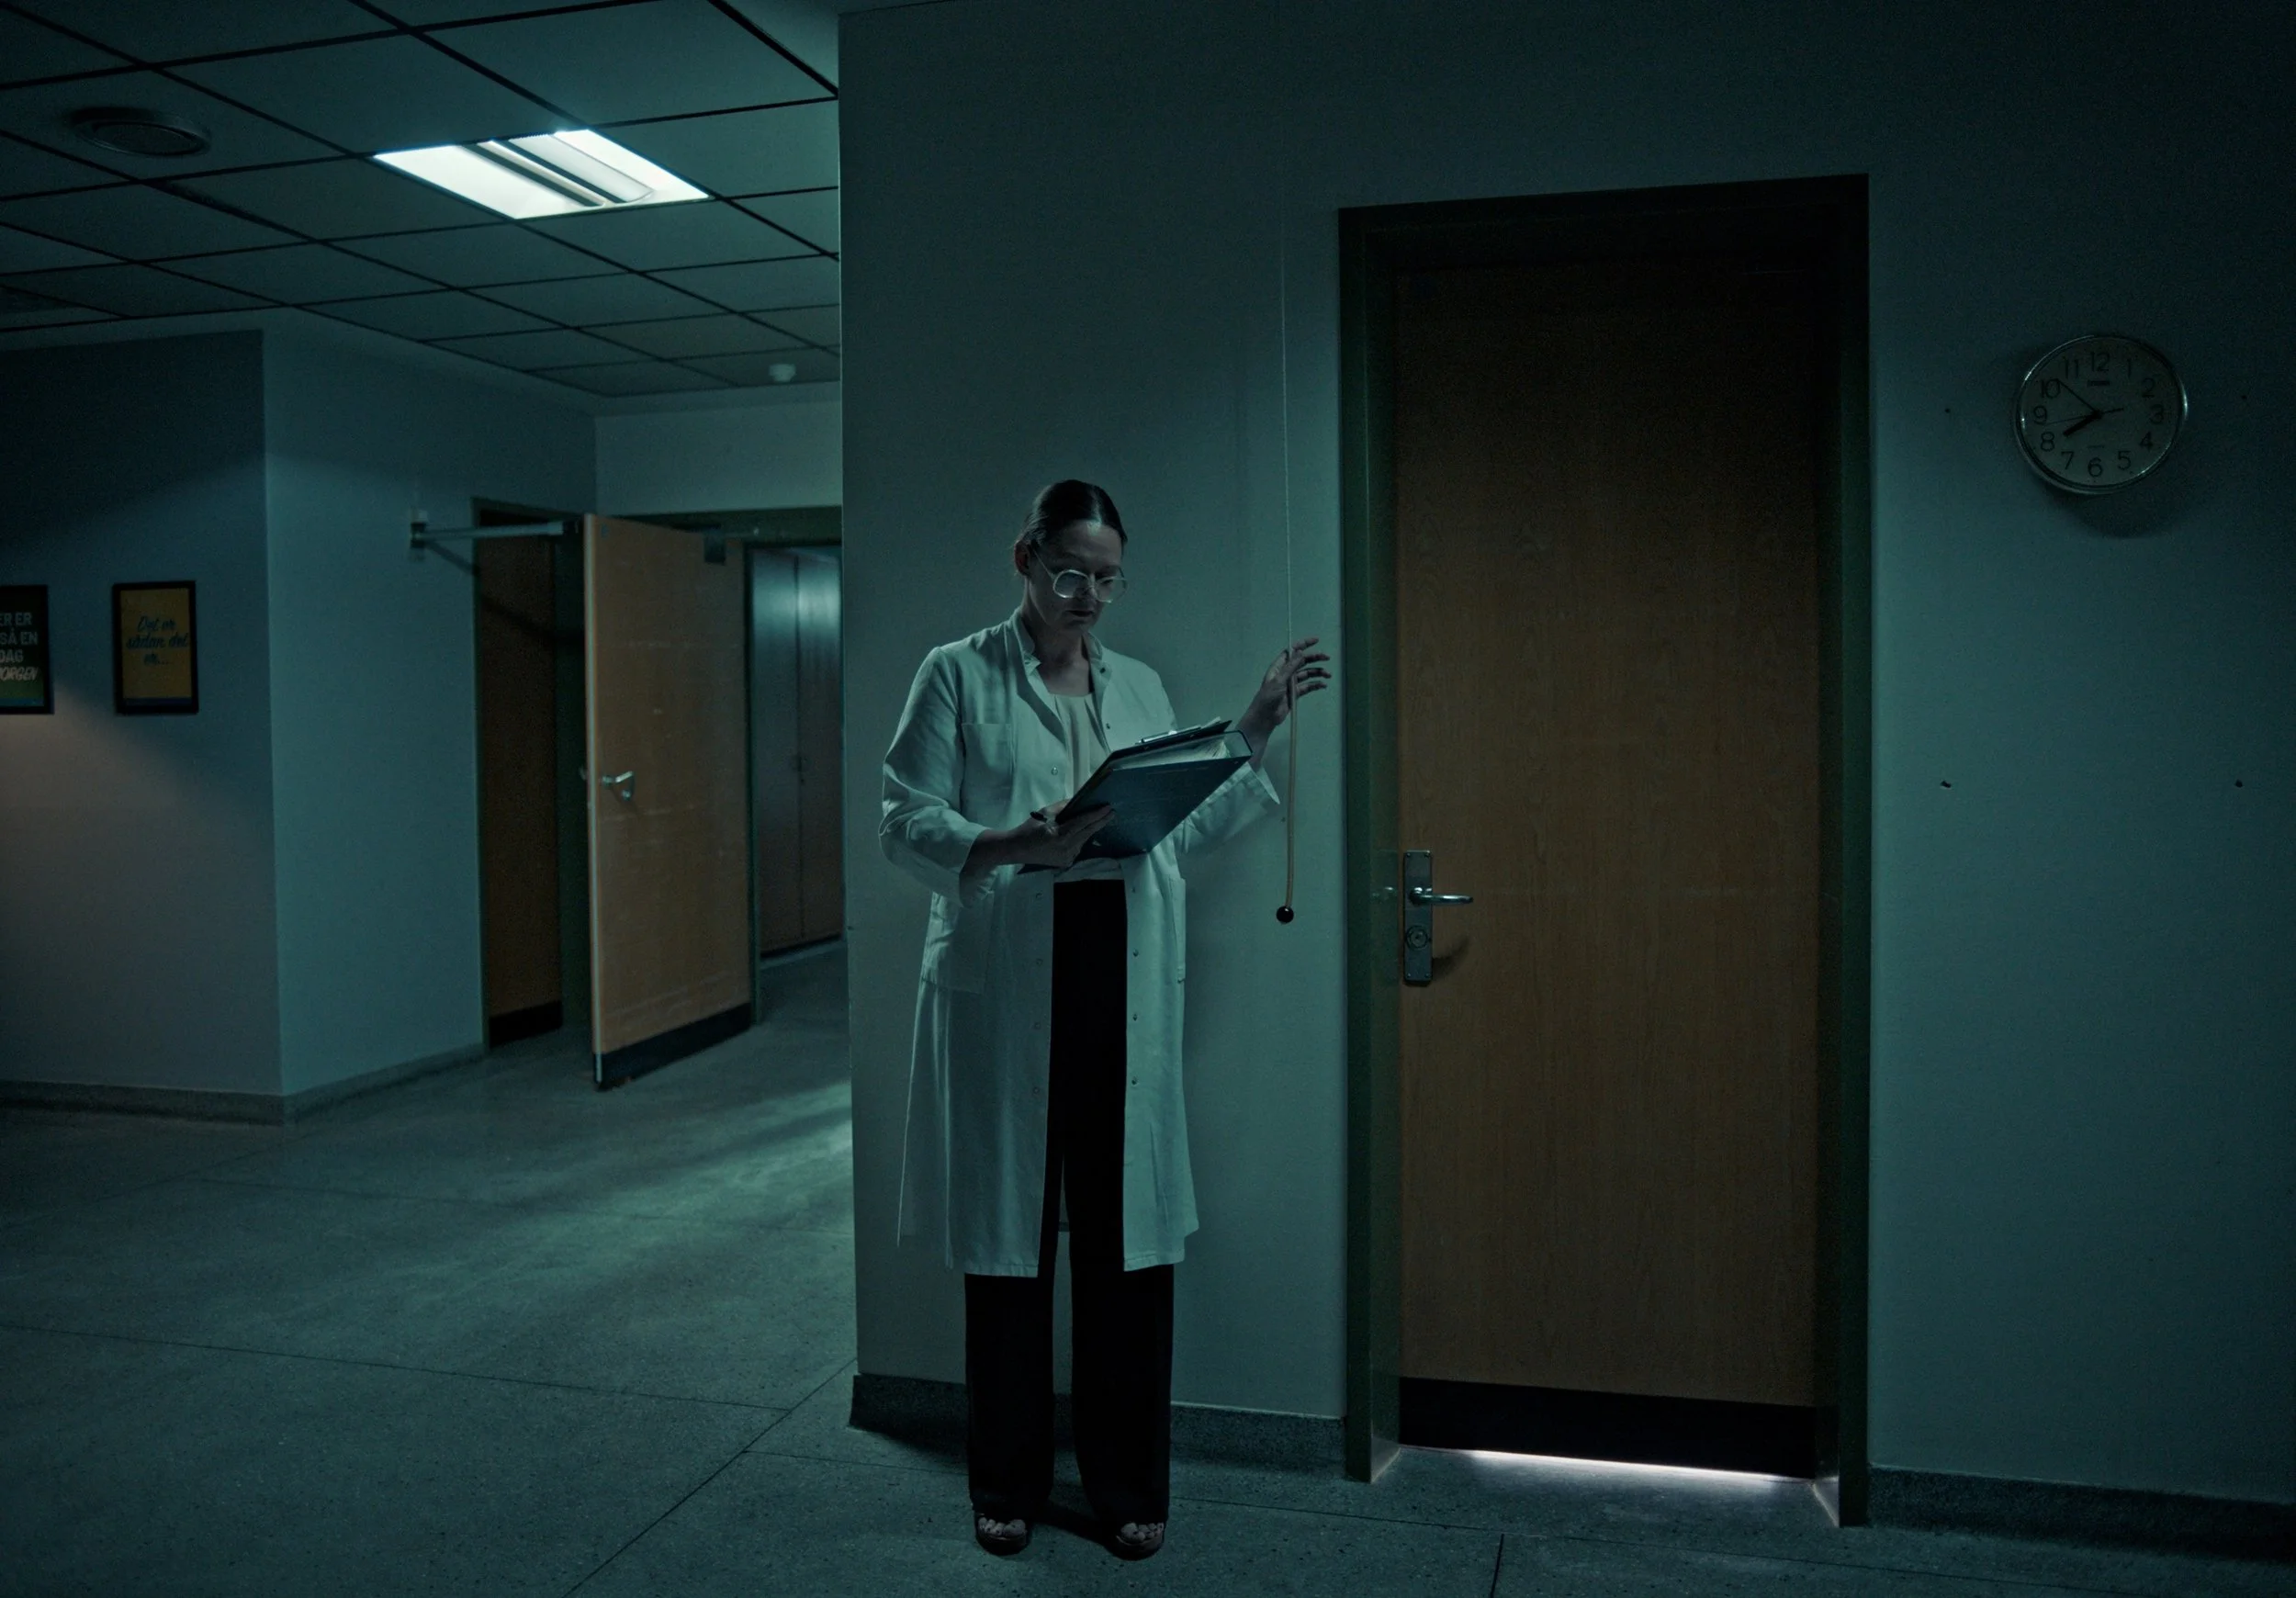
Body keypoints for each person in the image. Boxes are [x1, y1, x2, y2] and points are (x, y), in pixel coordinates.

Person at [879, 480, 1328, 1561]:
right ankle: (1005, 1483)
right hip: (1010, 975)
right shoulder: (956, 674)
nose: (1087, 596)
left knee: (1128, 1256)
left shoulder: (1138, 686)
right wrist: (1011, 844)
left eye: (1108, 580)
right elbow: (904, 817)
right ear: (1025, 558)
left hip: (1119, 976)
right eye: (1070, 573)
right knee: (1010, 1256)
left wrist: (1254, 725)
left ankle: (1127, 1484)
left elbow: (1173, 828)